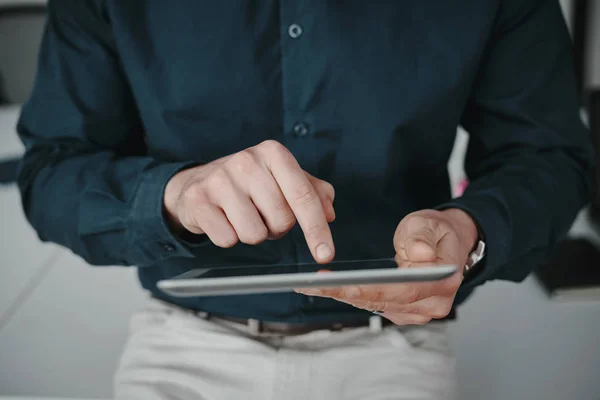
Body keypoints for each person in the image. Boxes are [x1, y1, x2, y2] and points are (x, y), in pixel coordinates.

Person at [16, 1, 593, 399]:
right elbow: (52, 170)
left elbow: (548, 156)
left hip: (393, 349)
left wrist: (471, 232)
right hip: (185, 346)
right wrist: (174, 196)